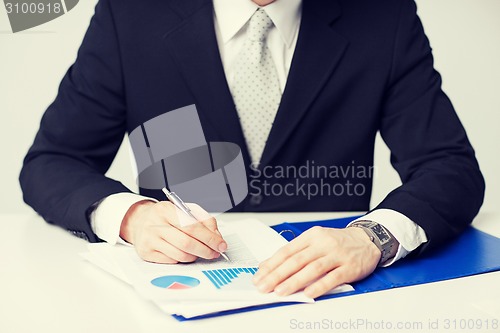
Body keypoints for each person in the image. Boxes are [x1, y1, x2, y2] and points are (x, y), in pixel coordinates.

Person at [20, 0, 484, 299]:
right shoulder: (131, 15)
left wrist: (372, 239)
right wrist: (131, 216)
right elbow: (53, 161)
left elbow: (449, 167)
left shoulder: (385, 17)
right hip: (182, 288)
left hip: (327, 296)